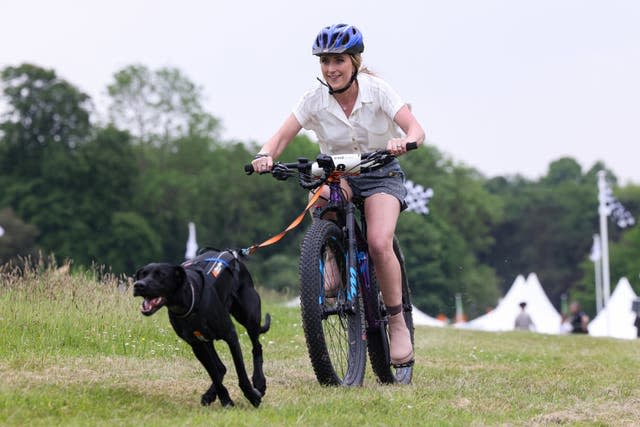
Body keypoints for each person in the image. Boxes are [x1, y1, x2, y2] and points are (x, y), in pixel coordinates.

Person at [251, 23, 425, 368]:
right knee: (326, 194)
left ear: (355, 62)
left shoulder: (378, 91)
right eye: (325, 61)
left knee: (378, 242)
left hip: (380, 172)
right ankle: (331, 255)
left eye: (339, 60)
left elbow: (416, 128)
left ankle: (396, 321)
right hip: (339, 174)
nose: (331, 68)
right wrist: (264, 155)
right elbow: (280, 136)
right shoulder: (313, 99)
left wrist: (403, 141)